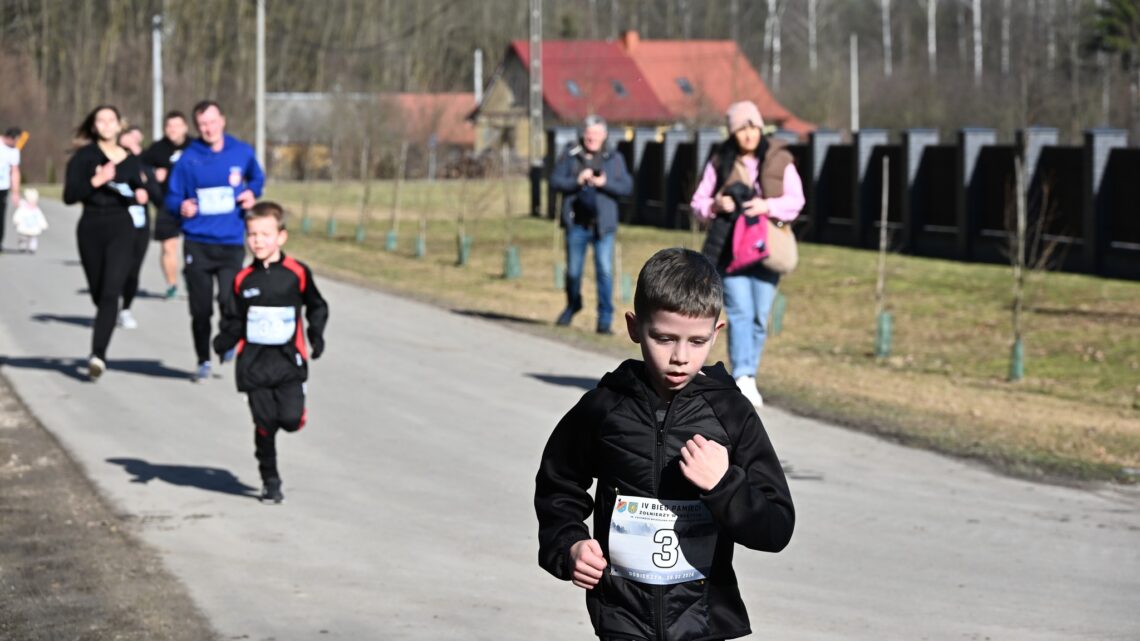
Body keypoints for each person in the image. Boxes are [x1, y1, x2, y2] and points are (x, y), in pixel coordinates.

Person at [535, 247, 795, 641]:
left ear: (716, 332)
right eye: (664, 338)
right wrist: (568, 543)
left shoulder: (731, 413)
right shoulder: (605, 407)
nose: (679, 357)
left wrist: (724, 485)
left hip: (704, 620)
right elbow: (559, 482)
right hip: (622, 617)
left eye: (696, 341)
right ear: (634, 327)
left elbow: (775, 528)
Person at [689, 101, 805, 407]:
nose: (749, 133)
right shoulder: (721, 161)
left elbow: (796, 200)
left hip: (767, 248)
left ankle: (749, 374)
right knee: (739, 312)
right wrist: (716, 205)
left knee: (758, 316)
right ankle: (742, 376)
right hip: (730, 249)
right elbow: (698, 202)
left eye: (753, 126)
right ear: (733, 132)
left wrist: (768, 207)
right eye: (742, 128)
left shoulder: (779, 158)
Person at [213, 201, 328, 504]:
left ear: (281, 236)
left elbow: (317, 305)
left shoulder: (296, 273)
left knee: (289, 420)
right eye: (252, 235)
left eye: (265, 234)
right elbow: (234, 318)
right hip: (254, 366)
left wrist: (316, 334)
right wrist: (223, 341)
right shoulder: (242, 279)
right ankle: (270, 480)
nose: (258, 241)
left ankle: (294, 415)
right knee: (264, 426)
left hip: (289, 362)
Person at [165, 100, 265, 382]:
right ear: (197, 127)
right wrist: (181, 207)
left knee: (229, 299)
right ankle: (203, 359)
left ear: (222, 120)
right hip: (198, 241)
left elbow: (256, 178)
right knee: (200, 308)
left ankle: (228, 338)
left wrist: (251, 192)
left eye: (212, 122)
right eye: (202, 125)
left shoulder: (241, 151)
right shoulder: (188, 158)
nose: (208, 129)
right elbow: (172, 197)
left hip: (231, 240)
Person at [63, 105, 150, 380]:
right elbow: (69, 195)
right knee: (99, 292)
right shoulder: (84, 157)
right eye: (100, 120)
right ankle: (106, 319)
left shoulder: (131, 159)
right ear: (93, 126)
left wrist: (143, 193)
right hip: (90, 226)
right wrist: (97, 180)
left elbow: (144, 188)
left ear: (119, 125)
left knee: (112, 291)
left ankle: (98, 354)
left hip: (121, 226)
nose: (106, 125)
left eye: (111, 120)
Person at [549, 115, 633, 335]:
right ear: (583, 134)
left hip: (603, 226)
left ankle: (604, 320)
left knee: (605, 272)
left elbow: (626, 187)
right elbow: (555, 181)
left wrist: (605, 183)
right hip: (577, 223)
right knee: (574, 272)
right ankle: (573, 304)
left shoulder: (613, 158)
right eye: (589, 133)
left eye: (596, 134)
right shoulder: (570, 155)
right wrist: (576, 181)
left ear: (604, 135)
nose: (592, 138)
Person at [141, 111, 191, 299]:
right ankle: (172, 284)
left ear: (185, 127)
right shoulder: (157, 149)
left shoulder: (195, 147)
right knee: (169, 247)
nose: (173, 130)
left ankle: (190, 274)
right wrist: (153, 174)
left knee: (194, 246)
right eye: (169, 126)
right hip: (166, 204)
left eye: (177, 126)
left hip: (193, 204)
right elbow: (139, 168)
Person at [116, 125, 161, 330]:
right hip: (115, 223)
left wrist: (149, 184)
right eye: (129, 139)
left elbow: (157, 197)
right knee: (115, 267)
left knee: (133, 270)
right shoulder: (110, 164)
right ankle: (109, 303)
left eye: (137, 141)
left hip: (139, 224)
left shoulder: (145, 167)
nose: (133, 144)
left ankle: (125, 309)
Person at [0, 127, 23, 253]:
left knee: (1, 215)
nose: (16, 143)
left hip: (2, 187)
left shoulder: (14, 152)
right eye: (16, 140)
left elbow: (15, 171)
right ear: (10, 137)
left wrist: (15, 192)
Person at [12, 187, 47, 253]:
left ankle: (32, 248)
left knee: (33, 238)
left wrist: (43, 224)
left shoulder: (36, 210)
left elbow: (40, 217)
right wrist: (16, 220)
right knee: (23, 238)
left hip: (33, 227)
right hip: (24, 226)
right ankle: (22, 246)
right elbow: (18, 215)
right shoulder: (23, 208)